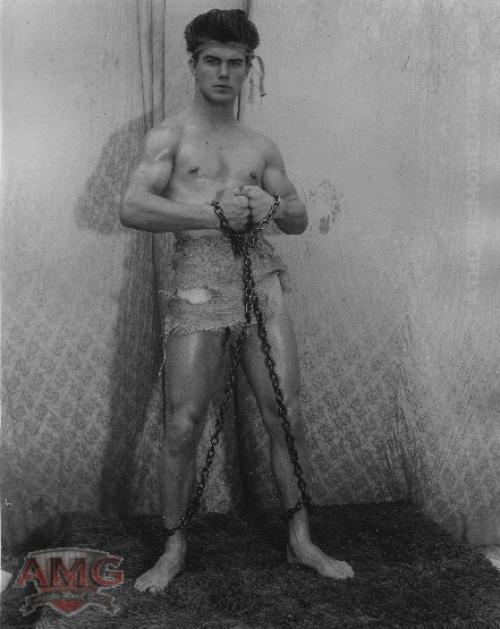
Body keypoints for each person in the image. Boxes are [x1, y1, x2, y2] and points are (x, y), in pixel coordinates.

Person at [120, 8, 354, 594]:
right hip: (199, 280)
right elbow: (132, 207)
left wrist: (272, 207)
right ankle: (173, 549)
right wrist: (210, 212)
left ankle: (301, 540)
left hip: (261, 280)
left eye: (236, 63)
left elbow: (297, 217)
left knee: (287, 416)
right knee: (182, 424)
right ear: (194, 65)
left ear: (249, 68)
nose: (224, 73)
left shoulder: (259, 145)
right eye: (213, 61)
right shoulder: (170, 136)